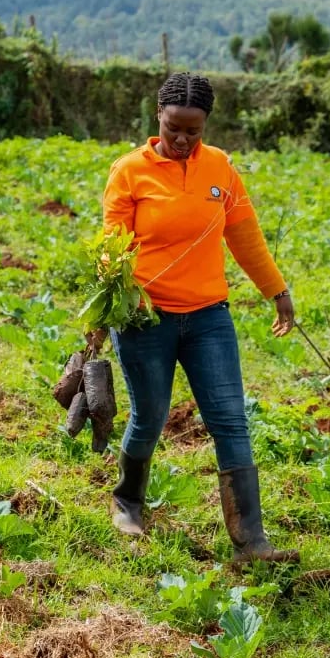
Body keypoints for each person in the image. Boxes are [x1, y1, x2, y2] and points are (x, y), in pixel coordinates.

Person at [95, 71, 299, 563]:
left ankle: (251, 541)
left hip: (208, 316)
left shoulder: (221, 170)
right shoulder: (129, 171)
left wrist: (277, 291)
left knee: (230, 420)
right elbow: (110, 248)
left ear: (206, 126)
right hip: (146, 319)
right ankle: (127, 502)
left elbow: (245, 237)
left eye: (194, 131)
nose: (183, 140)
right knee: (150, 417)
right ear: (157, 120)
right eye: (174, 129)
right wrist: (109, 306)